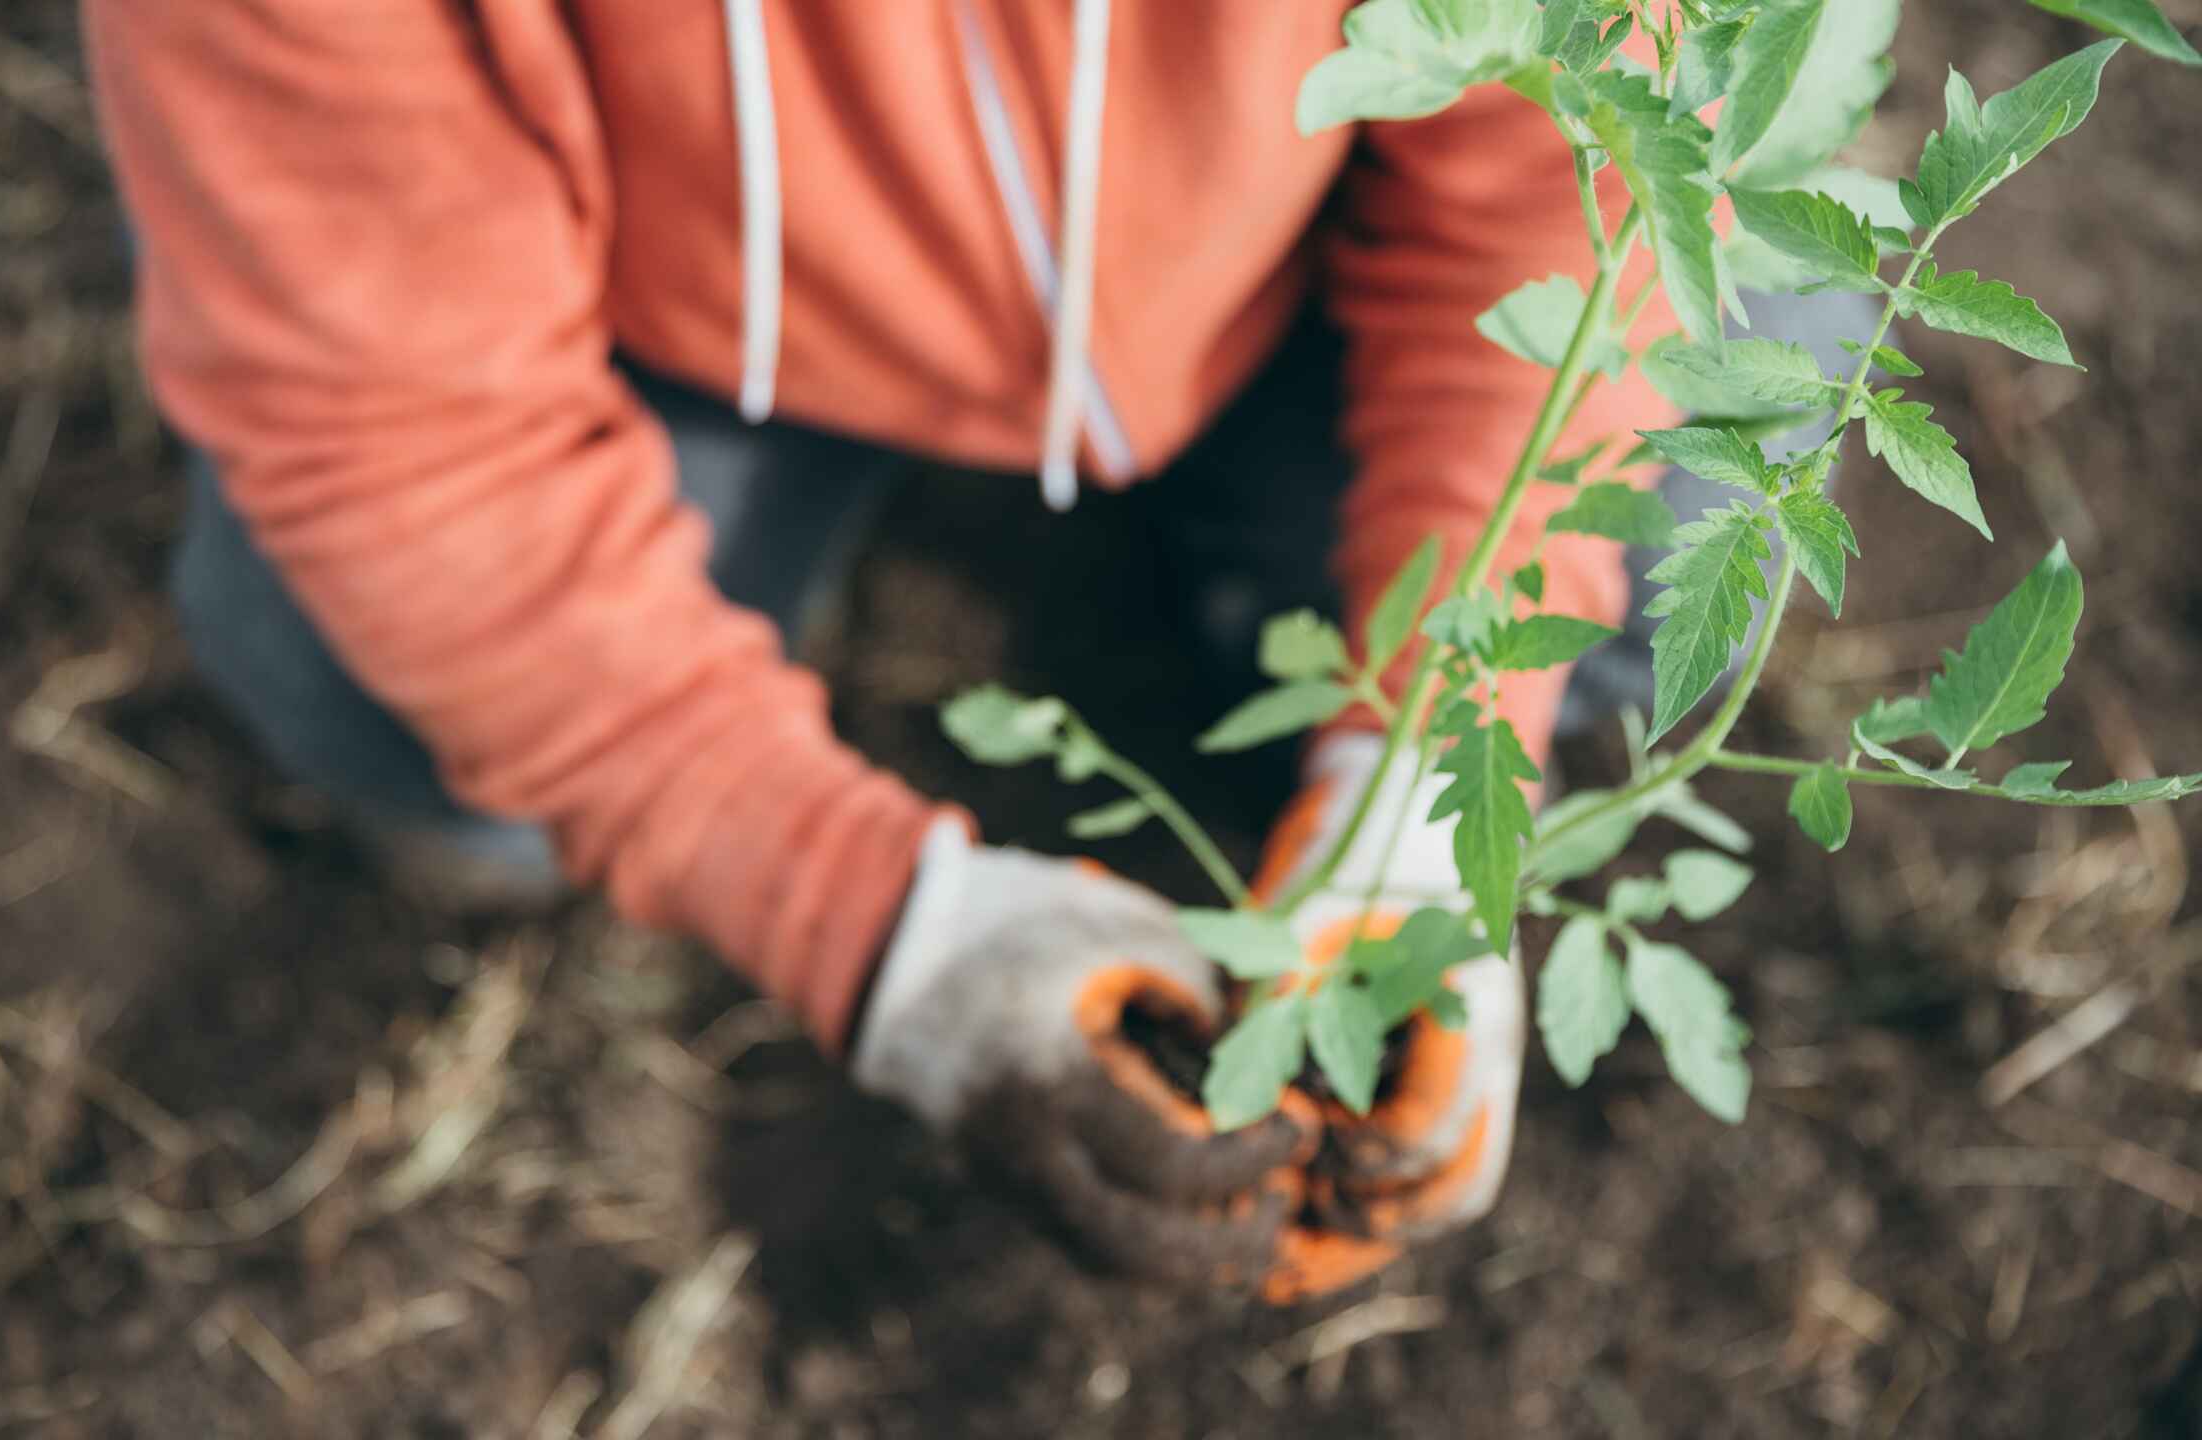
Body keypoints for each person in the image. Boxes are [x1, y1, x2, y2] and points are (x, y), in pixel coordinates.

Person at [83, 0, 1689, 1303]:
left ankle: (1259, 581)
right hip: (686, 297)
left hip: (1294, 219)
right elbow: (402, 440)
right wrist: (879, 927)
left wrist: (1430, 771)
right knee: (380, 693)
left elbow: (1566, 186)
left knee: (1691, 497)